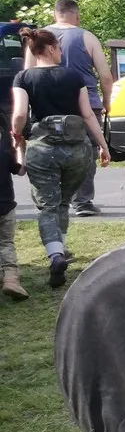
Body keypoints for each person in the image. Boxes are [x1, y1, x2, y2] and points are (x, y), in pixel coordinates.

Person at [10, 27, 110, 287]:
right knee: (64, 201)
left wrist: (16, 135)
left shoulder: (23, 78)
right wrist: (103, 145)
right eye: (60, 48)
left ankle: (55, 254)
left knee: (47, 205)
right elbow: (88, 115)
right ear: (52, 48)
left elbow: (20, 114)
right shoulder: (73, 75)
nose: (61, 52)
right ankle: (61, 248)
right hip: (77, 151)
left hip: (42, 151)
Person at [45, 0, 113, 217]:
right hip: (87, 105)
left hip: (48, 104)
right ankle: (82, 203)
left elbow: (26, 74)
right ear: (77, 15)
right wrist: (106, 102)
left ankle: (54, 201)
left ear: (54, 14)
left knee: (51, 151)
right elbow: (105, 76)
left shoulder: (39, 38)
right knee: (87, 151)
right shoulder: (87, 37)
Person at [0, 84, 27, 300]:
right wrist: (20, 149)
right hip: (5, 205)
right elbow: (19, 171)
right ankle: (11, 279)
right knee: (6, 242)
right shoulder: (4, 149)